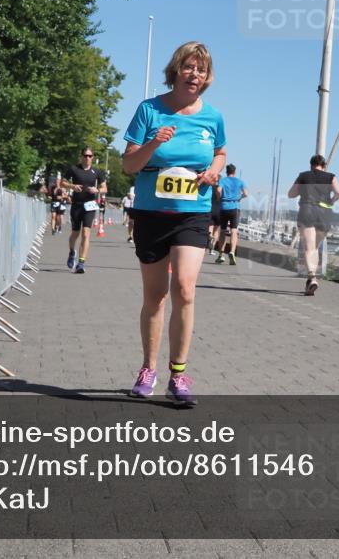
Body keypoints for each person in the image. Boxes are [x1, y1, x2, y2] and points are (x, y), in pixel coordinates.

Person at [122, 41, 226, 407]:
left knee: (184, 288)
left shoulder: (212, 117)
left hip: (192, 213)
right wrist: (153, 143)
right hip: (152, 213)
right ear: (176, 70)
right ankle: (148, 369)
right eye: (189, 67)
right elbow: (129, 165)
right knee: (156, 296)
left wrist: (214, 171)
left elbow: (220, 152)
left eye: (201, 70)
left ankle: (178, 374)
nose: (195, 74)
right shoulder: (149, 110)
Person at [287, 154, 339, 296]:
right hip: (324, 214)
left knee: (309, 248)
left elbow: (291, 194)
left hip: (307, 210)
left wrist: (302, 190)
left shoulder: (303, 176)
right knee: (315, 248)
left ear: (311, 165)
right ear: (323, 166)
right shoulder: (331, 176)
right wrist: (331, 201)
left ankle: (312, 277)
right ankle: (312, 279)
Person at [64, 147, 107, 274]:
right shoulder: (74, 169)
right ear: (81, 156)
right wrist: (73, 186)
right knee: (75, 234)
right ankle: (72, 252)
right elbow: (62, 183)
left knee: (86, 233)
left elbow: (105, 188)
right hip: (77, 205)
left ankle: (81, 263)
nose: (87, 158)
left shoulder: (97, 172)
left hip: (90, 206)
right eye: (85, 155)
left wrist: (97, 190)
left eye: (90, 156)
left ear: (93, 157)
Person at [214, 164, 247, 265]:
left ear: (226, 172)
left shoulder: (223, 180)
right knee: (234, 230)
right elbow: (246, 193)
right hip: (235, 208)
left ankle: (221, 255)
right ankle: (232, 252)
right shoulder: (240, 181)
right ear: (234, 172)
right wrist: (239, 198)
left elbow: (218, 190)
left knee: (223, 230)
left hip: (224, 207)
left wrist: (219, 198)